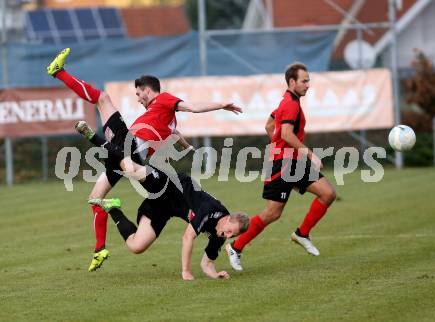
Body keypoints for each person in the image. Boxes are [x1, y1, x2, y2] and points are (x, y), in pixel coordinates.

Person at [46, 48, 242, 271]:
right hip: (127, 153)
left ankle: (58, 73)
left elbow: (193, 107)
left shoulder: (164, 100)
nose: (138, 99)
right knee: (95, 198)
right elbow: (174, 134)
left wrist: (221, 105)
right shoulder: (167, 121)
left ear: (148, 91)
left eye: (139, 94)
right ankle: (99, 249)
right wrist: (188, 147)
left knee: (102, 98)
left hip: (130, 147)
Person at [76, 124, 249, 280]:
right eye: (229, 232)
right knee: (131, 169)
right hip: (169, 185)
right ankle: (93, 136)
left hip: (166, 207)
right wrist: (186, 271)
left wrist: (215, 275)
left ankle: (112, 207)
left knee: (136, 246)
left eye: (232, 236)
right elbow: (188, 236)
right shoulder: (209, 210)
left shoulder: (220, 236)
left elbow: (207, 264)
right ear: (227, 219)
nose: (228, 237)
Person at [225, 62, 337, 271]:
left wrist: (279, 145)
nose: (308, 85)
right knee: (272, 213)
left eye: (308, 80)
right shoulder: (291, 104)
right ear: (292, 82)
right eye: (304, 81)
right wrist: (309, 154)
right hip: (283, 164)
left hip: (292, 160)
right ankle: (235, 246)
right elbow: (285, 134)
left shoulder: (288, 101)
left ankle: (302, 234)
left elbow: (269, 125)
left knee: (328, 193)